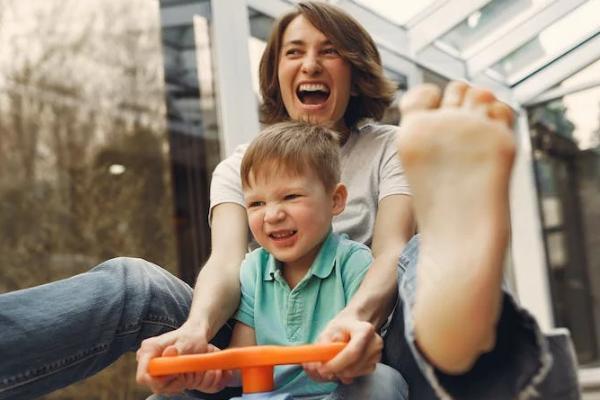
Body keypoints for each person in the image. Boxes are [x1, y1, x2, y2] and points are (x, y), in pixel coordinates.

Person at [0, 2, 579, 400]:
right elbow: (228, 264)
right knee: (133, 282)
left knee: (424, 252)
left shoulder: (395, 148)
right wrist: (200, 328)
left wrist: (354, 320)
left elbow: (389, 247)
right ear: (275, 74)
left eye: (329, 52)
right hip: (268, 335)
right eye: (293, 52)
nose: (310, 64)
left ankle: (466, 332)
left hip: (382, 333)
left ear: (353, 72)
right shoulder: (239, 166)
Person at [178, 121, 407, 399]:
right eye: (256, 204)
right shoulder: (253, 270)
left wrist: (340, 356)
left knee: (384, 382)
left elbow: (364, 348)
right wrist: (216, 370)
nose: (272, 215)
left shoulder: (354, 264)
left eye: (291, 196)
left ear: (335, 200)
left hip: (336, 394)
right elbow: (245, 359)